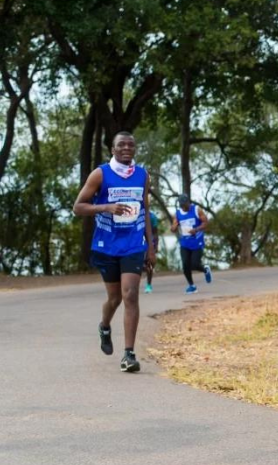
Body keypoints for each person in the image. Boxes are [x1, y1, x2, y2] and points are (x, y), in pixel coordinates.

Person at [73, 131, 155, 373]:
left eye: (131, 144)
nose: (126, 148)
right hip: (107, 244)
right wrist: (106, 207)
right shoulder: (101, 174)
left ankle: (129, 354)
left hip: (133, 243)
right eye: (121, 145)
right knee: (115, 299)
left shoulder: (143, 175)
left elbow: (144, 210)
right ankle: (105, 326)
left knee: (130, 295)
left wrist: (151, 247)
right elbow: (78, 207)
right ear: (113, 149)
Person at [171, 194, 212, 294]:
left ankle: (205, 269)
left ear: (188, 202)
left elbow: (205, 223)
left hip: (197, 241)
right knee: (185, 265)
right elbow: (173, 228)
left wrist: (196, 229)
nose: (183, 207)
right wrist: (174, 227)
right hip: (185, 243)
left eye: (185, 205)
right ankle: (192, 286)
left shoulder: (197, 210)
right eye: (181, 205)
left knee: (194, 264)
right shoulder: (178, 214)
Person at [144, 211, 160, 293]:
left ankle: (148, 285)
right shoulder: (133, 215)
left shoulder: (152, 217)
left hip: (149, 242)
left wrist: (156, 245)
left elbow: (155, 232)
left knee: (149, 263)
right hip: (136, 242)